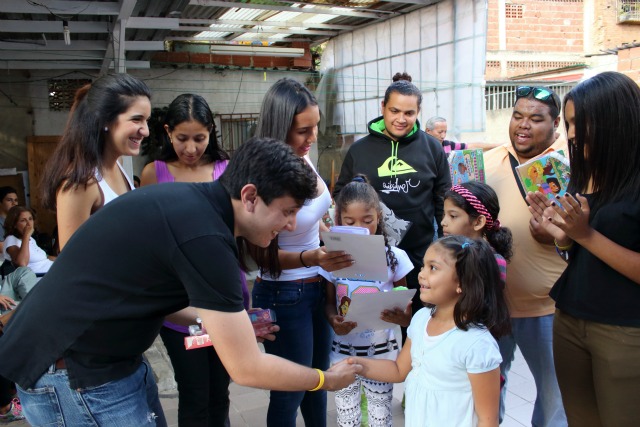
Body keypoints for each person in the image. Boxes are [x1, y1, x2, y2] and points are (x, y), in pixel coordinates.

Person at [0, 137, 362, 427]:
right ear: (250, 196)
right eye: (287, 211)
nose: (291, 225)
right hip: (73, 371)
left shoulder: (197, 208)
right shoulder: (206, 237)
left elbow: (147, 290)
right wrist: (324, 380)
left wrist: (227, 325)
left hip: (108, 361)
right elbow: (248, 368)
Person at [526, 71, 640, 427]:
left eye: (581, 122)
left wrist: (585, 234)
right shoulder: (589, 171)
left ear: (615, 119)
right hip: (571, 318)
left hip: (624, 330)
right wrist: (561, 235)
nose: (572, 134)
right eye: (570, 123)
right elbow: (578, 254)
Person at [251, 78, 353, 427]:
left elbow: (312, 223)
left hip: (314, 284)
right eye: (302, 131)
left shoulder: (302, 158)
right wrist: (311, 257)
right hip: (284, 291)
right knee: (290, 389)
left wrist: (338, 240)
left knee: (318, 382)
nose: (312, 138)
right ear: (280, 128)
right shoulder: (264, 173)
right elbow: (261, 256)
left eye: (316, 128)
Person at [140, 93, 248, 427]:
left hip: (222, 293)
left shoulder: (226, 169)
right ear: (168, 132)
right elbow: (147, 240)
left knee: (221, 392)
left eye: (199, 139)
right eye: (182, 138)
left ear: (211, 132)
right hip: (179, 302)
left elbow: (238, 231)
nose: (190, 149)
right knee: (194, 394)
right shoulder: (153, 173)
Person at [343, 236, 510, 426]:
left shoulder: (477, 344)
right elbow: (399, 370)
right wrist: (356, 364)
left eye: (433, 268)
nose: (421, 274)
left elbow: (488, 419)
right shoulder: (421, 318)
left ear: (462, 282)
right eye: (423, 266)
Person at [334, 72, 451, 318]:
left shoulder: (433, 148)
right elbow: (340, 198)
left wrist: (444, 248)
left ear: (418, 111)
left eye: (409, 113)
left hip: (420, 257)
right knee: (373, 325)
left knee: (417, 324)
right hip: (370, 258)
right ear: (383, 107)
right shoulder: (359, 150)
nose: (401, 119)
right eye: (394, 111)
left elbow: (443, 200)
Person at [483, 85, 568, 426]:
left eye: (536, 119)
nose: (523, 125)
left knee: (554, 402)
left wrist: (553, 237)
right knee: (486, 394)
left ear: (556, 124)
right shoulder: (487, 162)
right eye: (518, 116)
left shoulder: (567, 167)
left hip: (548, 307)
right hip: (490, 304)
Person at [322, 175, 413, 427]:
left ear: (379, 217)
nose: (360, 228)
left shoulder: (395, 257)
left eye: (368, 221)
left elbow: (405, 307)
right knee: (347, 415)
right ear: (338, 218)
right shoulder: (332, 258)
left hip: (382, 355)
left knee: (380, 414)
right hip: (342, 352)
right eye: (350, 221)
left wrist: (401, 317)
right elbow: (328, 303)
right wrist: (333, 320)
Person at [41, 73, 150, 251]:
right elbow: (73, 264)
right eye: (136, 119)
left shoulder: (117, 165)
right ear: (105, 120)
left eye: (147, 121)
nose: (145, 131)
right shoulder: (80, 183)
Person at [442, 182, 513, 286]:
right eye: (444, 214)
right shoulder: (444, 252)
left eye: (452, 216)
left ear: (478, 222)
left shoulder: (493, 261)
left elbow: (488, 299)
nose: (443, 222)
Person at [2, 206, 55, 276]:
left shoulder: (31, 239)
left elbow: (45, 258)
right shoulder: (11, 239)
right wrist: (26, 236)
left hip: (52, 270)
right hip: (41, 277)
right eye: (23, 220)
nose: (29, 223)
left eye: (30, 219)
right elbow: (22, 263)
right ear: (14, 224)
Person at [425, 116, 499, 153]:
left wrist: (499, 145)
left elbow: (471, 146)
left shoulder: (448, 145)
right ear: (428, 131)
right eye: (440, 132)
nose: (443, 136)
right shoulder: (420, 147)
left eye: (445, 132)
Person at [0, 187, 19, 263]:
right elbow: (2, 248)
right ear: (0, 202)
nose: (14, 203)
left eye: (16, 200)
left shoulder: (18, 221)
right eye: (9, 200)